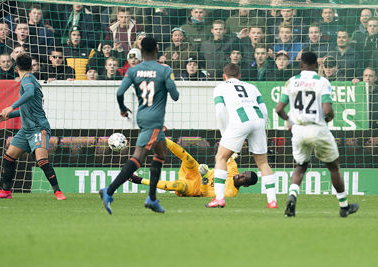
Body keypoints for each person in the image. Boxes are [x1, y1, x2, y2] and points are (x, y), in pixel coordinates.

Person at [99, 37, 179, 214]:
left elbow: (120, 92)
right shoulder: (164, 69)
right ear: (157, 48)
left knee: (160, 153)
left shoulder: (134, 70)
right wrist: (166, 85)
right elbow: (175, 95)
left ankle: (152, 198)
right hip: (154, 120)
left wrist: (122, 109)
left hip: (142, 117)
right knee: (138, 158)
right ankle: (109, 190)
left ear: (141, 50)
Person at [275, 51, 359, 217]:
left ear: (301, 65)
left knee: (300, 166)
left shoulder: (291, 82)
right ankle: (343, 206)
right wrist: (328, 118)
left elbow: (278, 109)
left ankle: (292, 195)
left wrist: (290, 121)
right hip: (317, 128)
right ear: (316, 65)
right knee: (333, 167)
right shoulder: (322, 82)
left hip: (298, 129)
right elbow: (328, 110)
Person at [0, 53, 66, 200]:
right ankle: (6, 191)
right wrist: (9, 116)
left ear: (16, 68)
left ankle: (57, 191)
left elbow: (29, 93)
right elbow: (26, 108)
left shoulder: (28, 80)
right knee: (9, 156)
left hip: (38, 127)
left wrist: (10, 107)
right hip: (26, 129)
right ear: (31, 66)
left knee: (41, 160)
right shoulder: (28, 79)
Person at [206, 63, 277, 208]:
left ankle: (219, 198)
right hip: (258, 120)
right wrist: (258, 128)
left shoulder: (220, 87)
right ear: (239, 76)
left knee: (221, 157)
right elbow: (264, 111)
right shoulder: (252, 87)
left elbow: (220, 112)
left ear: (224, 76)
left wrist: (224, 134)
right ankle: (272, 200)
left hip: (240, 121)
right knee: (263, 162)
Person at [129, 138, 258, 197]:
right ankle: (161, 138)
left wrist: (205, 178)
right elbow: (225, 158)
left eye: (243, 179)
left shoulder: (230, 193)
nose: (240, 175)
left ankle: (139, 180)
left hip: (194, 187)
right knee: (188, 158)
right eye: (243, 173)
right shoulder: (233, 171)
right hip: (196, 173)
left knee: (177, 186)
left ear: (245, 185)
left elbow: (204, 193)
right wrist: (229, 151)